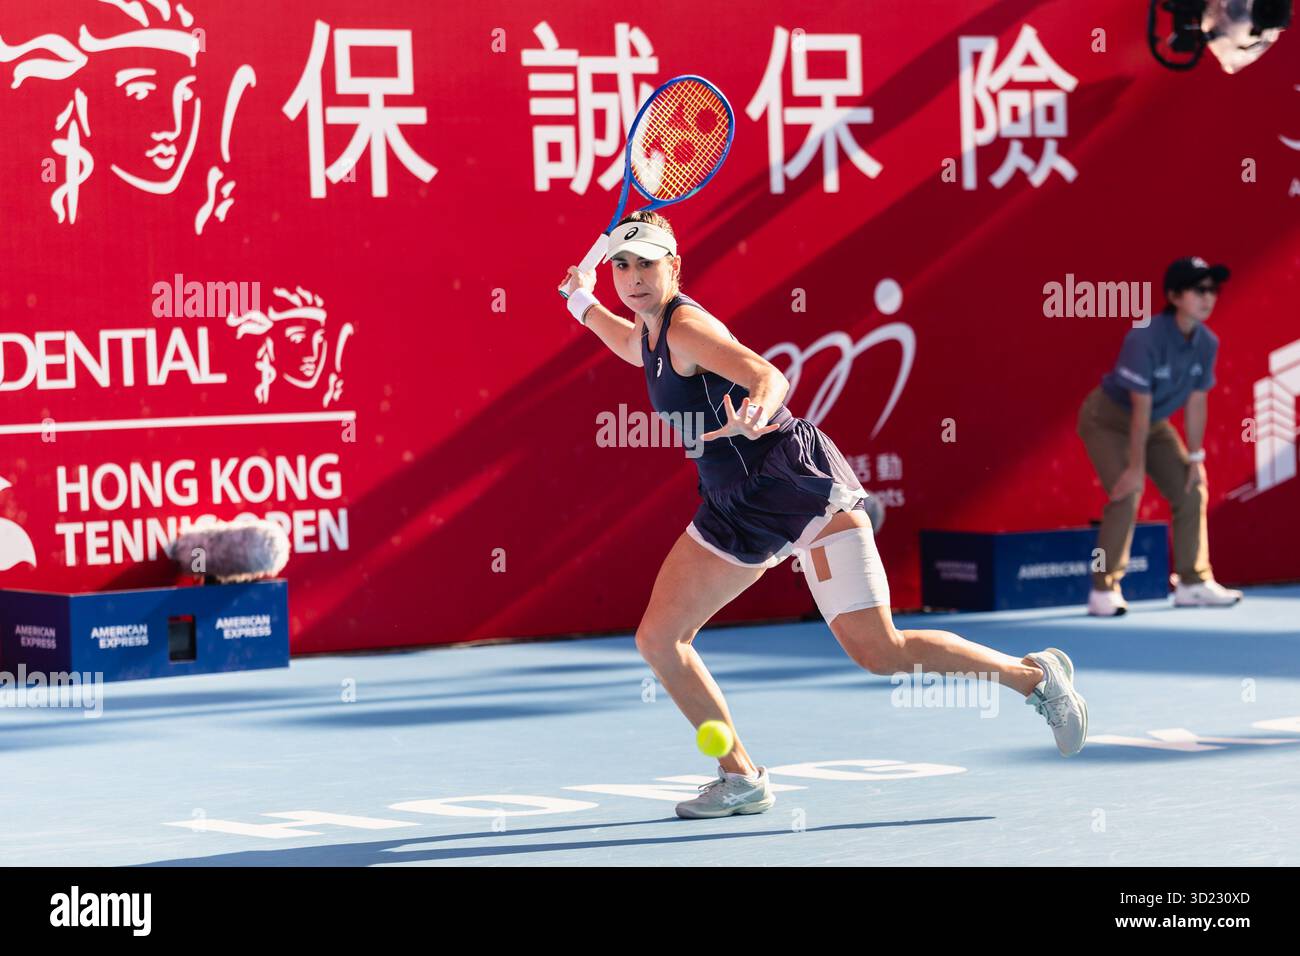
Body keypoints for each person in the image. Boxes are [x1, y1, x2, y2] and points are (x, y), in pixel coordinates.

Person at [559, 210, 1088, 819]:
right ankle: (741, 777)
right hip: (734, 507)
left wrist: (758, 405)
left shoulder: (685, 329)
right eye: (621, 266)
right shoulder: (648, 331)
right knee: (659, 640)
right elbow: (630, 346)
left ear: (673, 266)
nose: (633, 277)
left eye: (647, 263)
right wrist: (581, 303)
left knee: (879, 651)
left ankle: (1034, 679)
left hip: (798, 487)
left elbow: (765, 372)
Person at [1078, 256, 1244, 616]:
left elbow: (1197, 403)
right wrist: (1135, 467)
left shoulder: (1207, 343)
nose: (1209, 297)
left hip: (1151, 423)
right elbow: (1138, 408)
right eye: (1199, 289)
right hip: (1106, 419)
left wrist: (1196, 459)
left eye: (1213, 290)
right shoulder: (1144, 338)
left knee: (1191, 486)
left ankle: (1192, 582)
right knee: (1128, 490)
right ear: (1174, 295)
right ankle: (1103, 590)